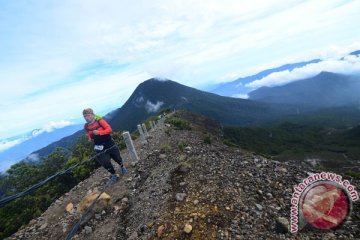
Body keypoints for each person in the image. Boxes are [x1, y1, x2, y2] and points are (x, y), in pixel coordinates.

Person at [83, 108, 127, 183]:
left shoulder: (100, 121)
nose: (86, 118)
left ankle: (122, 167)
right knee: (104, 162)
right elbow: (89, 133)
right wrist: (89, 138)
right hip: (98, 146)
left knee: (117, 157)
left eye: (88, 115)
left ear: (93, 115)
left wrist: (99, 132)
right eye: (84, 116)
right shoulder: (86, 126)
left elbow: (109, 129)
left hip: (109, 142)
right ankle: (113, 174)